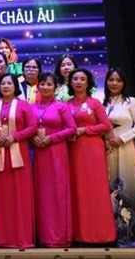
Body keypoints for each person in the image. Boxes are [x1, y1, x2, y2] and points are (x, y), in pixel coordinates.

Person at [67, 68, 116, 243]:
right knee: (77, 191)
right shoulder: (66, 104)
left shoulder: (95, 103)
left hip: (93, 151)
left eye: (82, 79)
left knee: (95, 190)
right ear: (70, 83)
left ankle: (103, 234)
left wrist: (84, 130)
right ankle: (80, 234)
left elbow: (105, 125)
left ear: (88, 83)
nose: (79, 82)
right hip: (73, 151)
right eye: (75, 79)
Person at [0, 73, 36, 248]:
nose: (6, 86)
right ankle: (4, 238)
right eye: (3, 83)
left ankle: (22, 237)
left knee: (20, 194)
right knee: (3, 194)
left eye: (9, 83)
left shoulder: (23, 105)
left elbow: (32, 127)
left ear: (15, 86)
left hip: (19, 153)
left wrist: (15, 137)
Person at [31, 72, 76, 247]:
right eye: (42, 84)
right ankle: (44, 236)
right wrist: (32, 137)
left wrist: (52, 138)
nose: (45, 87)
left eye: (49, 84)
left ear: (55, 87)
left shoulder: (61, 107)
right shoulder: (32, 107)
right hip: (39, 153)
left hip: (56, 153)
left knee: (58, 193)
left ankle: (60, 237)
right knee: (42, 194)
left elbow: (71, 129)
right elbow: (27, 127)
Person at [105, 67, 135, 247]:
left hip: (127, 148)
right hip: (108, 151)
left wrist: (122, 138)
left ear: (124, 83)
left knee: (128, 189)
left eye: (118, 80)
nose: (114, 83)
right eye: (111, 80)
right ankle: (113, 233)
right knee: (110, 192)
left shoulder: (131, 102)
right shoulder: (103, 103)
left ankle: (132, 236)